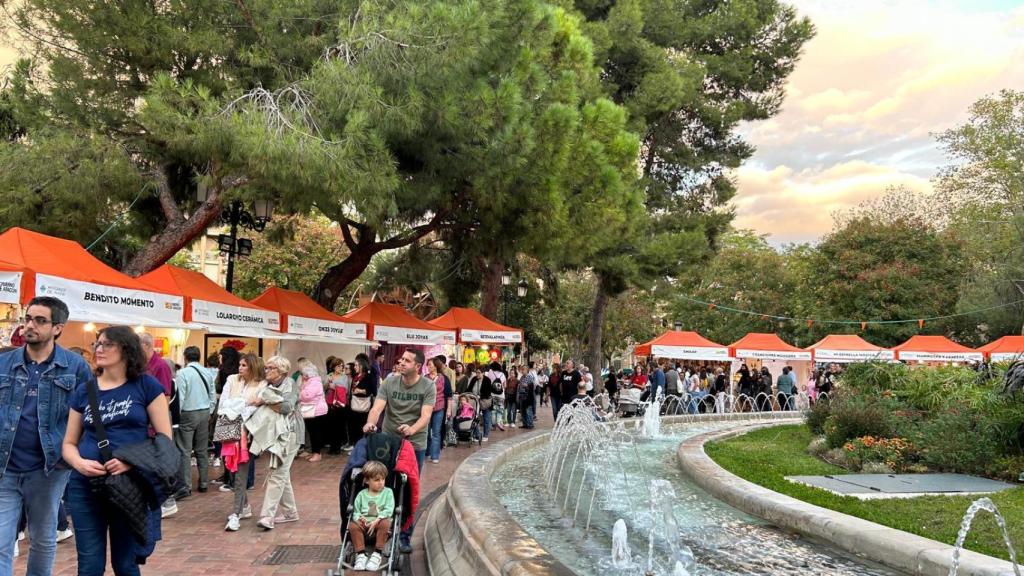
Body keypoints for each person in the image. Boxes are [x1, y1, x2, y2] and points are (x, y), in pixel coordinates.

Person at [63, 325, 173, 575]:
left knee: (125, 563)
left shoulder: (147, 386)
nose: (99, 349)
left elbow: (165, 438)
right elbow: (69, 443)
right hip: (85, 486)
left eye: (107, 344)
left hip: (128, 485)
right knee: (89, 565)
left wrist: (130, 462)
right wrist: (79, 463)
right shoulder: (85, 390)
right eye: (97, 344)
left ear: (126, 349)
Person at [0, 297, 92, 576]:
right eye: (28, 319)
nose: (30, 325)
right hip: (5, 467)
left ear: (57, 328)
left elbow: (88, 416)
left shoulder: (75, 367)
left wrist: (73, 457)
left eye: (40, 321)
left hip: (49, 468)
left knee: (42, 538)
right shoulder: (4, 363)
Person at [363, 349, 435, 553]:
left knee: (409, 488)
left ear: (417, 366)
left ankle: (404, 536)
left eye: (407, 360)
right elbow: (377, 408)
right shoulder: (389, 382)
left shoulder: (428, 386)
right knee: (383, 485)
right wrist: (370, 423)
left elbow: (426, 415)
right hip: (388, 441)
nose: (401, 362)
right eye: (401, 359)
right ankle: (379, 529)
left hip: (414, 444)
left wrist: (412, 429)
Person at [253, 356, 302, 530]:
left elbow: (286, 408)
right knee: (283, 473)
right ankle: (290, 512)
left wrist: (266, 401)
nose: (266, 370)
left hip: (291, 433)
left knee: (277, 473)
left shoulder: (290, 384)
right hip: (277, 433)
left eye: (270, 368)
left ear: (281, 371)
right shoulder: (270, 386)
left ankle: (267, 515)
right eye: (266, 367)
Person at [220, 353, 267, 531]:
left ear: (253, 367)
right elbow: (223, 404)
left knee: (240, 472)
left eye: (244, 365)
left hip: (246, 433)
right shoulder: (232, 379)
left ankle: (236, 513)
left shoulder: (261, 384)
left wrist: (238, 406)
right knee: (232, 470)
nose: (240, 368)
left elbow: (255, 408)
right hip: (228, 429)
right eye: (239, 364)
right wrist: (242, 404)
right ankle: (244, 506)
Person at [140, 333, 178, 518]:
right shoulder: (142, 365)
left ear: (146, 346)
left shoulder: (160, 365)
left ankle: (167, 500)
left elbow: (165, 396)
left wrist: (154, 419)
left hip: (155, 421)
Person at [172, 346, 216, 496]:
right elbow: (212, 395)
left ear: (185, 357)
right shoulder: (207, 372)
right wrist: (209, 412)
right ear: (199, 356)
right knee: (202, 450)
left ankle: (186, 485)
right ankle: (203, 483)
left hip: (188, 414)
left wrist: (175, 417)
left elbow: (180, 397)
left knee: (185, 450)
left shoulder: (182, 373)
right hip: (204, 413)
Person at [348, 460, 394, 572]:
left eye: (383, 479)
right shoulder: (361, 495)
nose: (381, 482)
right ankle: (361, 555)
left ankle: (377, 554)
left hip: (379, 524)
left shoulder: (387, 492)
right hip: (365, 525)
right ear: (367, 481)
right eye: (377, 480)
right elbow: (356, 512)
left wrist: (377, 520)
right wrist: (359, 518)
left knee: (386, 522)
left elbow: (389, 509)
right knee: (353, 525)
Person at [297, 360, 328, 463]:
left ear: (308, 374)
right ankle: (314, 452)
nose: (302, 376)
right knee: (312, 432)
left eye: (303, 374)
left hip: (316, 411)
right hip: (311, 411)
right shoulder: (309, 382)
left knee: (315, 433)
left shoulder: (314, 382)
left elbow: (306, 396)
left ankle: (317, 453)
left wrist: (300, 392)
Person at [347, 356, 379, 452]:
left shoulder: (369, 376)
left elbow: (374, 391)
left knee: (363, 426)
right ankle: (356, 447)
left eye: (356, 365)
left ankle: (363, 448)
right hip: (354, 405)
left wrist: (360, 390)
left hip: (364, 406)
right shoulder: (355, 377)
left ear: (361, 365)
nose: (355, 367)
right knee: (354, 427)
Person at [426, 358, 452, 464]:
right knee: (426, 432)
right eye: (427, 365)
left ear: (436, 366)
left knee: (436, 432)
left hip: (439, 407)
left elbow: (449, 396)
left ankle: (435, 455)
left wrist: (449, 410)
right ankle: (426, 452)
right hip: (426, 408)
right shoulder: (424, 378)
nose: (428, 367)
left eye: (430, 365)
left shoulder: (444, 378)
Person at [325, 357, 349, 454]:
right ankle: (332, 447)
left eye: (342, 366)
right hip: (330, 404)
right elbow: (324, 388)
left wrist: (335, 387)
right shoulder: (329, 375)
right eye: (338, 366)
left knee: (339, 426)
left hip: (340, 405)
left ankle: (337, 447)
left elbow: (346, 390)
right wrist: (328, 383)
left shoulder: (344, 377)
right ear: (334, 367)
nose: (341, 368)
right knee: (331, 426)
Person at [467, 365, 494, 441]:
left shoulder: (487, 380)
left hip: (485, 402)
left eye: (479, 373)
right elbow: (469, 388)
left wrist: (480, 396)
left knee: (486, 419)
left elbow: (488, 392)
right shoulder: (474, 379)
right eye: (476, 373)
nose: (477, 374)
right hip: (475, 401)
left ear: (483, 373)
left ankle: (485, 435)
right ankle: (477, 435)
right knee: (475, 418)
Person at [485, 362, 507, 430]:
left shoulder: (490, 373)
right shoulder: (502, 374)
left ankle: (493, 425)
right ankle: (499, 421)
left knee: (493, 409)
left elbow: (487, 383)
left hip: (492, 394)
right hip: (501, 395)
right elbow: (505, 386)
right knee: (500, 409)